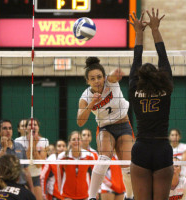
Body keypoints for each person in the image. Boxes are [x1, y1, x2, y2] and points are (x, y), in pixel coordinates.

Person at [128, 8, 174, 200]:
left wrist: (139, 33)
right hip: (162, 148)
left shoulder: (133, 89)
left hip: (141, 148)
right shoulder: (166, 88)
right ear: (158, 76)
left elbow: (135, 59)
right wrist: (155, 29)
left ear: (139, 77)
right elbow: (163, 58)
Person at [77, 50, 134, 200]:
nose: (97, 81)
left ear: (104, 77)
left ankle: (129, 196)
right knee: (103, 160)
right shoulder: (85, 97)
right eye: (92, 79)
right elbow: (80, 121)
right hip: (105, 128)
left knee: (128, 167)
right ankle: (91, 197)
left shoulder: (110, 81)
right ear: (88, 81)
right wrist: (92, 104)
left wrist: (117, 72)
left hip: (123, 125)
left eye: (99, 77)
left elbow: (115, 74)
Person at [15, 119, 49, 200]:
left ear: (38, 128)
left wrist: (34, 145)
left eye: (35, 125)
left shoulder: (44, 141)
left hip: (35, 177)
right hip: (22, 177)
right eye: (30, 125)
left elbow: (39, 164)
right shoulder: (18, 141)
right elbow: (23, 163)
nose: (32, 126)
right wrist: (30, 144)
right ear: (26, 128)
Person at [0, 120, 34, 192]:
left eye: (10, 128)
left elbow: (26, 170)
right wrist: (3, 149)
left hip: (20, 186)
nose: (8, 131)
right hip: (2, 187)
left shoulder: (19, 146)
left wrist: (31, 189)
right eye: (5, 128)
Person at [58, 131, 95, 200]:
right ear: (69, 142)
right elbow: (59, 176)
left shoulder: (89, 156)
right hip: (67, 195)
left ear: (81, 142)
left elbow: (95, 175)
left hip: (85, 194)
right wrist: (60, 192)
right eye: (73, 139)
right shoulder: (62, 157)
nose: (76, 141)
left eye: (78, 139)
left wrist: (95, 191)